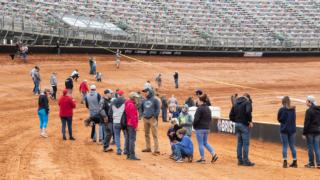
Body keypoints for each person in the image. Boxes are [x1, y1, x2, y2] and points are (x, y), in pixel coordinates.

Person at [229, 93, 255, 166]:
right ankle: (246, 161)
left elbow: (230, 116)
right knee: (245, 144)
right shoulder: (247, 102)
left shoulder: (236, 103)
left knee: (239, 143)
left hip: (237, 125)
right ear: (247, 98)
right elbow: (248, 112)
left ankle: (240, 160)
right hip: (244, 125)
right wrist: (249, 122)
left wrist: (237, 121)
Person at [193, 94, 218, 163]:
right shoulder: (208, 108)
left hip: (200, 128)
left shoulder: (199, 108)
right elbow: (210, 119)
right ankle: (214, 154)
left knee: (200, 143)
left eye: (198, 100)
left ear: (201, 101)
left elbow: (196, 119)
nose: (197, 102)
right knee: (205, 143)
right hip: (206, 128)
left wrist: (194, 126)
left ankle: (203, 158)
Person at [278, 96, 297, 168]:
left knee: (285, 146)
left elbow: (279, 119)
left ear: (283, 102)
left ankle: (285, 162)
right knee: (292, 146)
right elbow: (294, 119)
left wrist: (283, 122)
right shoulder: (293, 109)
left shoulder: (281, 110)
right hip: (292, 130)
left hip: (284, 130)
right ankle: (295, 162)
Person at [141, 88, 160, 155]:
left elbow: (158, 108)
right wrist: (143, 114)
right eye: (144, 92)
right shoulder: (144, 100)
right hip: (145, 118)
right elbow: (142, 108)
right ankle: (148, 147)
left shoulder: (155, 99)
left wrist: (155, 116)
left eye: (146, 92)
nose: (145, 93)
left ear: (149, 92)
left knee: (154, 134)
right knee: (146, 134)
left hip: (152, 118)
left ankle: (156, 149)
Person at [303, 95, 320, 168]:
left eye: (307, 101)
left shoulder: (309, 111)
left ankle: (311, 163)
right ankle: (319, 163)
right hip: (318, 131)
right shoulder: (318, 110)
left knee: (310, 147)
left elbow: (306, 123)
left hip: (310, 132)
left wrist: (304, 133)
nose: (306, 102)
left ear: (310, 102)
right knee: (317, 148)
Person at [109, 90, 128, 155]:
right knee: (126, 136)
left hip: (115, 121)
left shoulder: (113, 101)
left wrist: (113, 117)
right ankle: (125, 150)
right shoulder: (125, 101)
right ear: (122, 95)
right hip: (123, 122)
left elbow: (109, 112)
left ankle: (118, 150)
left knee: (117, 136)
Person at [125, 92, 140, 160]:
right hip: (131, 124)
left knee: (128, 139)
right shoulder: (131, 105)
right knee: (132, 140)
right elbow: (133, 117)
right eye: (136, 97)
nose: (137, 99)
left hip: (128, 124)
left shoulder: (127, 103)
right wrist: (135, 126)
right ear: (133, 98)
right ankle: (132, 155)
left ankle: (128, 154)